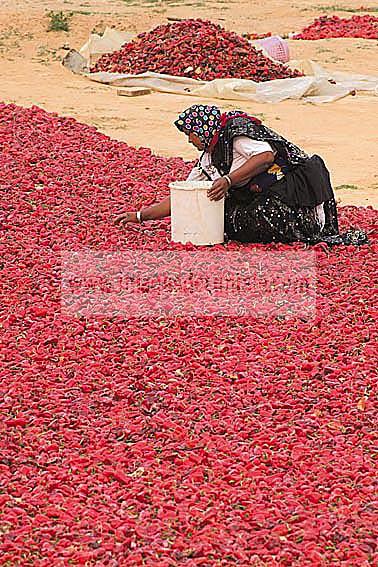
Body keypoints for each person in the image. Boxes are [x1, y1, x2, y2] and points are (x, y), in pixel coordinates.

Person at [115, 105, 367, 245]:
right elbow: (185, 196)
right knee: (227, 219)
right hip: (265, 189)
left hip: (292, 184)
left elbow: (266, 157)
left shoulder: (237, 136)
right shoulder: (208, 158)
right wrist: (140, 216)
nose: (190, 140)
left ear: (203, 130)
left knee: (254, 217)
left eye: (190, 133)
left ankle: (305, 226)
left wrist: (228, 180)